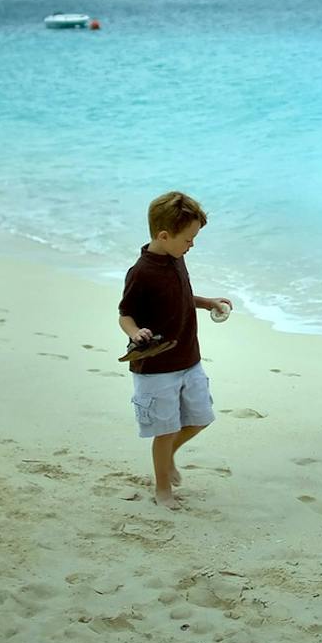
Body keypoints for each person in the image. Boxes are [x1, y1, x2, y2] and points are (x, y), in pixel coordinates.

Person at [119, 191, 235, 509]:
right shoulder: (141, 273)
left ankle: (168, 455)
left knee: (200, 417)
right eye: (189, 238)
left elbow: (183, 297)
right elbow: (124, 314)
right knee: (165, 429)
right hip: (155, 367)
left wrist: (207, 302)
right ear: (164, 235)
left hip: (188, 358)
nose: (192, 244)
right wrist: (135, 331)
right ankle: (162, 489)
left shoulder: (176, 257)